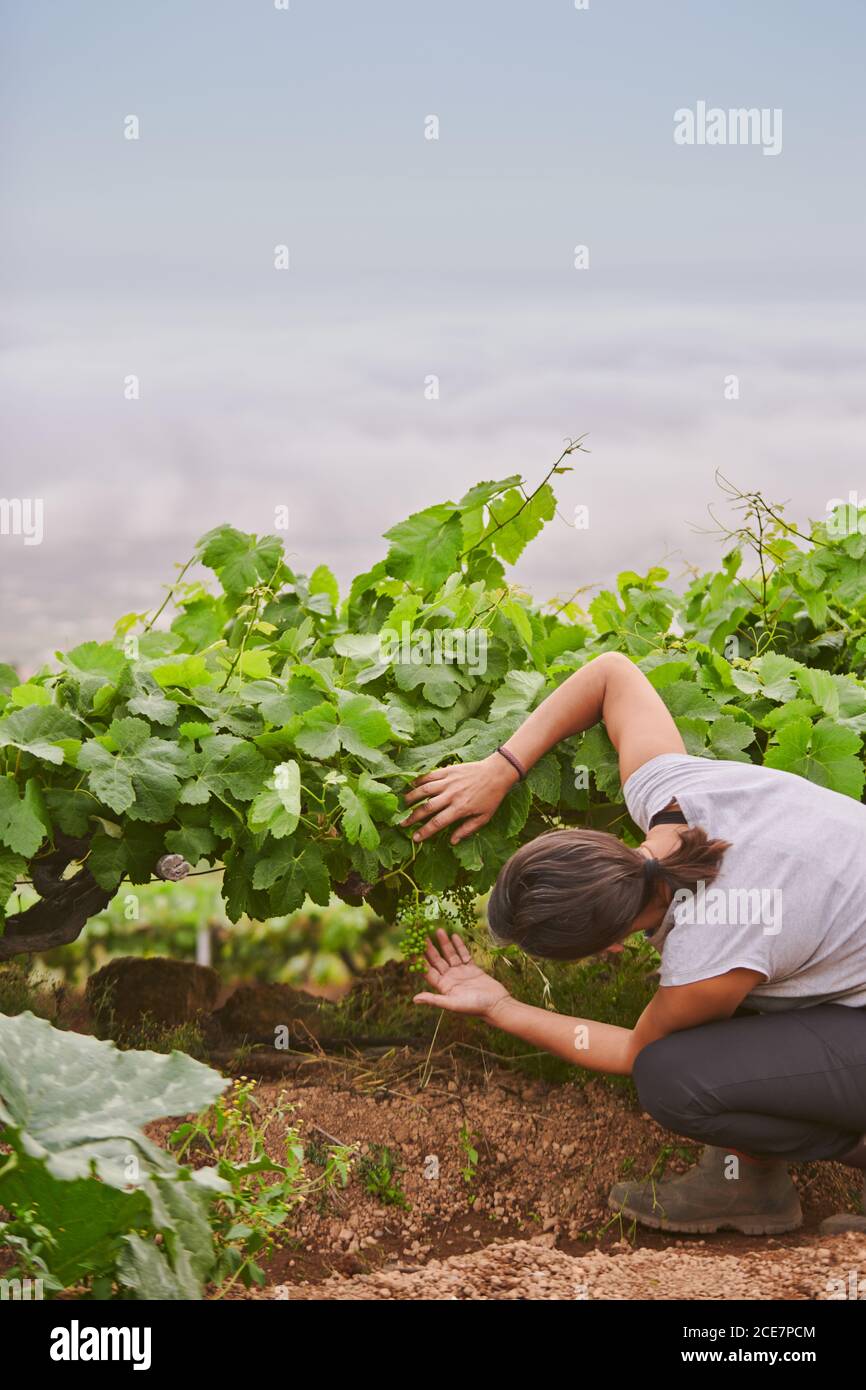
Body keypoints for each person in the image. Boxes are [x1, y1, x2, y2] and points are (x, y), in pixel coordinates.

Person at [402, 651, 866, 1235]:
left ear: (608, 946)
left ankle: (773, 1178)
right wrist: (501, 768)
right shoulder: (669, 793)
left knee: (672, 1077)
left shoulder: (711, 948)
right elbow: (610, 673)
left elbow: (633, 1052)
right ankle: (748, 1182)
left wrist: (500, 1006)